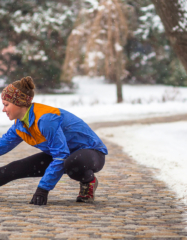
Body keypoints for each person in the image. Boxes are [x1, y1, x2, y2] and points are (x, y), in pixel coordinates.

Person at [0, 76, 108, 205]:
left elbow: (61, 156)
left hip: (91, 154)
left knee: (72, 163)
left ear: (20, 103)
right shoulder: (20, 124)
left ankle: (88, 181)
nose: (3, 109)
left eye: (6, 105)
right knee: (14, 168)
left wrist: (42, 189)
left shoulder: (46, 120)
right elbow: (2, 145)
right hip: (64, 154)